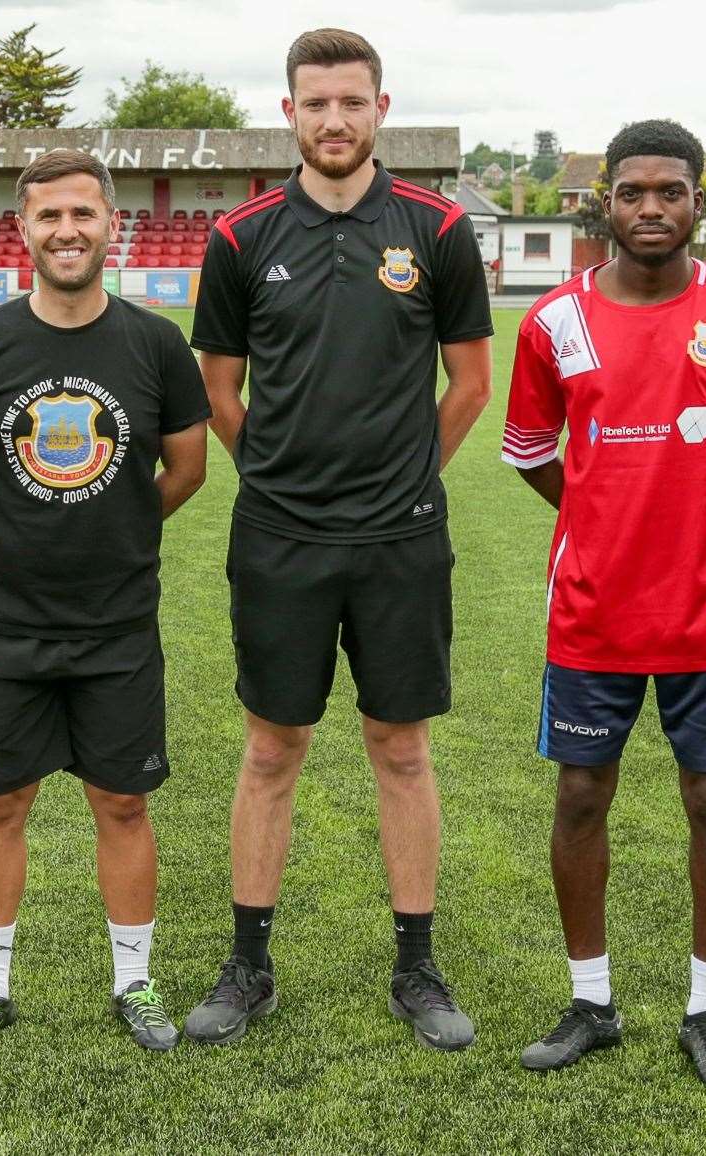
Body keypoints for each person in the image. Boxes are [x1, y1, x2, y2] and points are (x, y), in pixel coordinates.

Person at [185, 28, 492, 1051]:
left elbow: (469, 383)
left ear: (378, 108)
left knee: (400, 749)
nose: (332, 120)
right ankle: (248, 965)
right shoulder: (239, 238)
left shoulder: (437, 230)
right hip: (278, 538)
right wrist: (273, 478)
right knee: (271, 750)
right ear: (287, 114)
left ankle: (416, 966)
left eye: (349, 102)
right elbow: (217, 391)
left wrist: (405, 478)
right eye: (313, 103)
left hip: (400, 539)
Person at [504, 120, 706, 1091]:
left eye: (667, 191)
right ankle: (589, 1001)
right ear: (603, 199)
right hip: (591, 612)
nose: (648, 208)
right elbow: (528, 454)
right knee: (580, 794)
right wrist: (601, 517)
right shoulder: (552, 321)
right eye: (630, 191)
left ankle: (704, 1012)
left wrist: (704, 520)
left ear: (696, 200)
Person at [0, 151, 208, 1056]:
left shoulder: (157, 344)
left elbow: (188, 466)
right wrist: (10, 525)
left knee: (122, 806)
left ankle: (135, 983)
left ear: (111, 224)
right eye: (49, 217)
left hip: (119, 628)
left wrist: (119, 525)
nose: (68, 231)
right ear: (25, 230)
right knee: (0, 804)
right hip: (4, 628)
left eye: (84, 214)